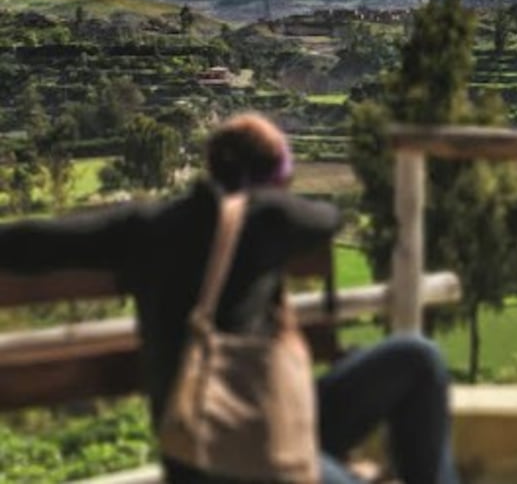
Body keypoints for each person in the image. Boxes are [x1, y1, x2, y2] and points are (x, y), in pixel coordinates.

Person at [0, 112, 458, 484]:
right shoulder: (273, 218)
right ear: (273, 178)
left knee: (415, 358)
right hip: (244, 456)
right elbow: (328, 218)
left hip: (198, 447)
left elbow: (33, 243)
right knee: (418, 360)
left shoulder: (143, 227)